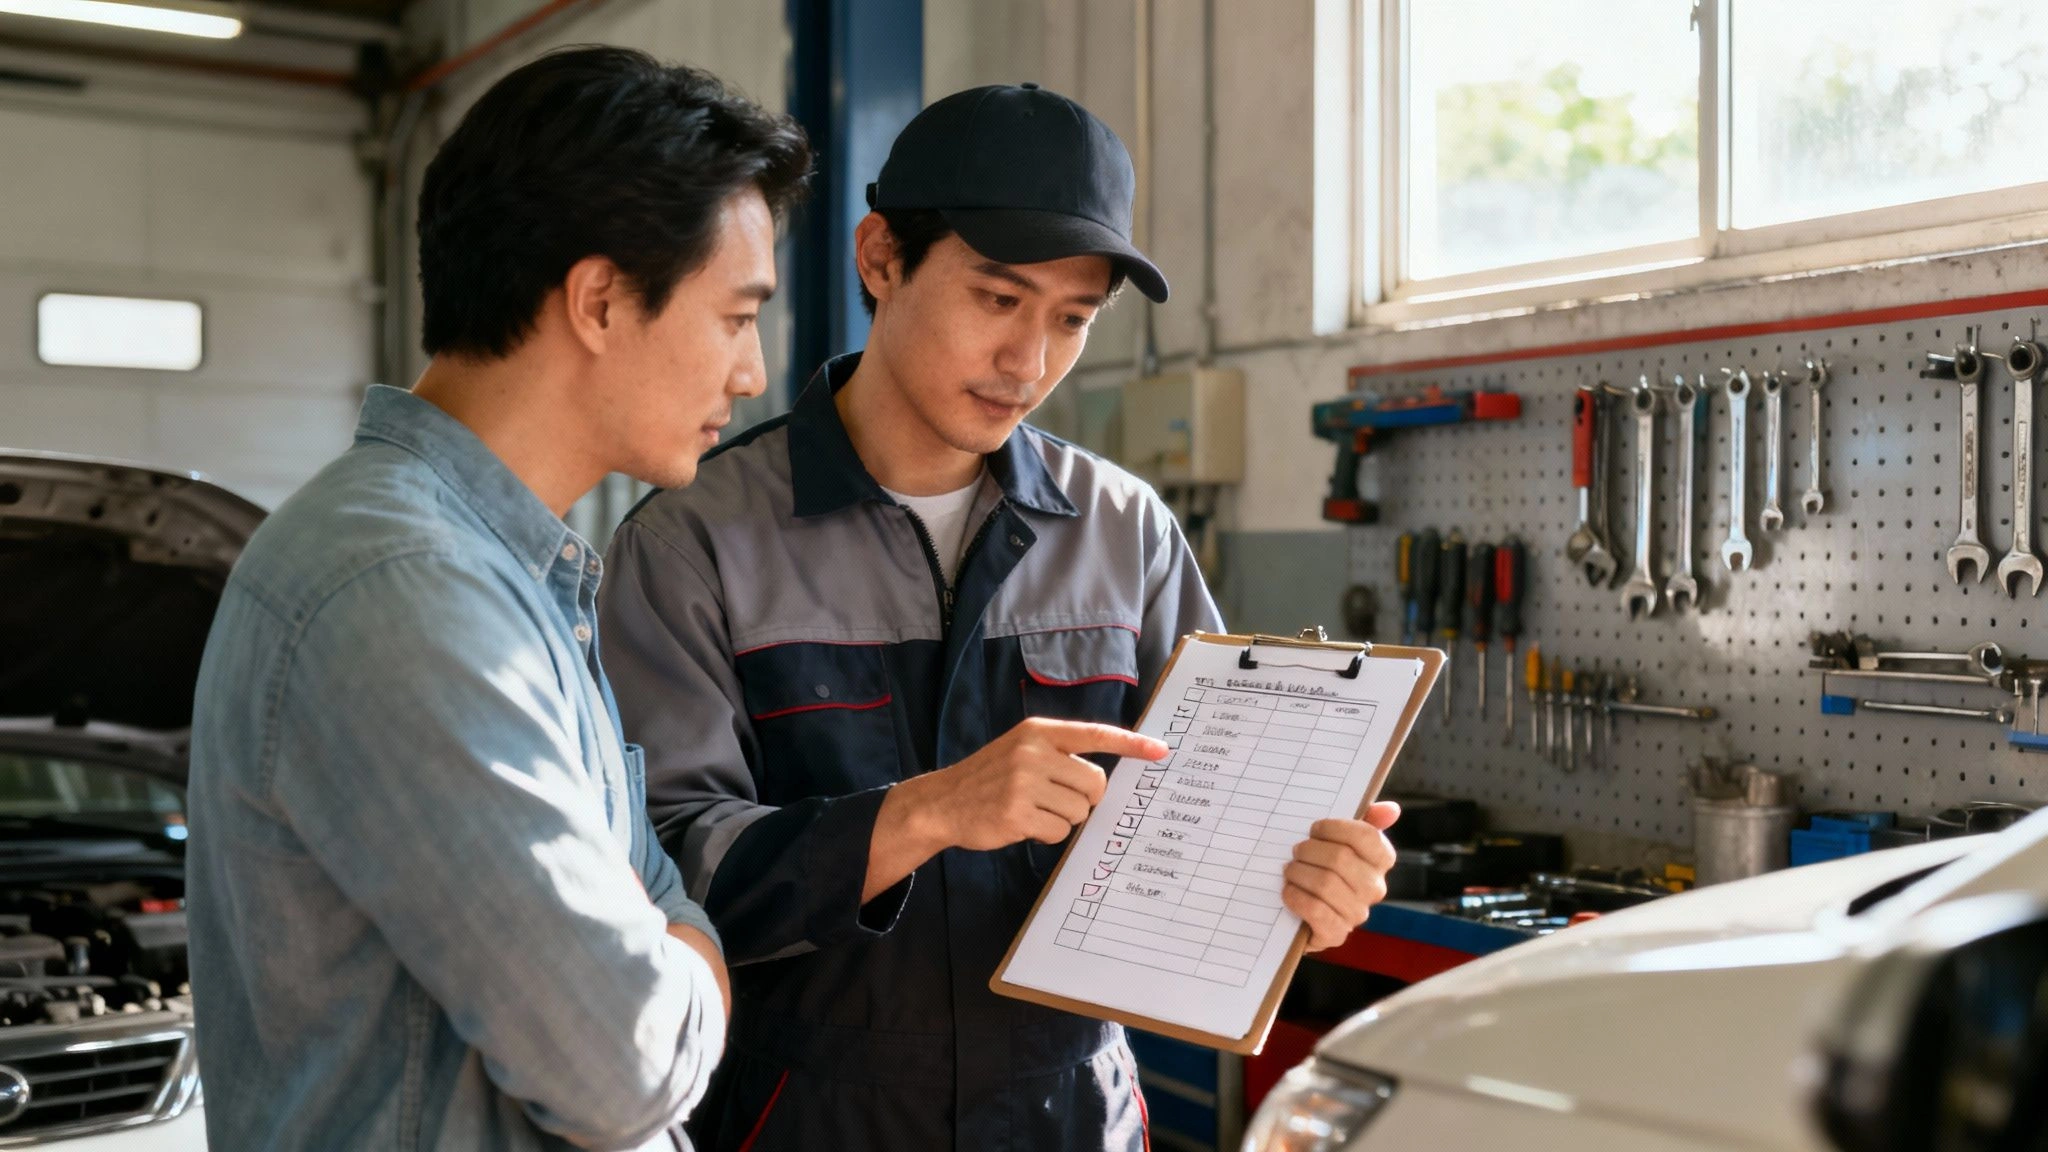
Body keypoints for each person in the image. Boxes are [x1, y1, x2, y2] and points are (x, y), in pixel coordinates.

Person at [600, 83, 1399, 1150]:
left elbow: (1201, 831)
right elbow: (661, 876)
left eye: (1071, 320)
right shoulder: (694, 538)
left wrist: (1298, 891)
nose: (1030, 362)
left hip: (1066, 1111)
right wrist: (924, 814)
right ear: (880, 258)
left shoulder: (1125, 532)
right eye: (997, 300)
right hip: (806, 1115)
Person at [185, 47, 808, 1151]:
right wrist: (693, 956)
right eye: (733, 316)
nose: (751, 373)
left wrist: (660, 930)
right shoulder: (404, 593)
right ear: (601, 300)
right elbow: (623, 1068)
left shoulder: (509, 577)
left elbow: (651, 885)